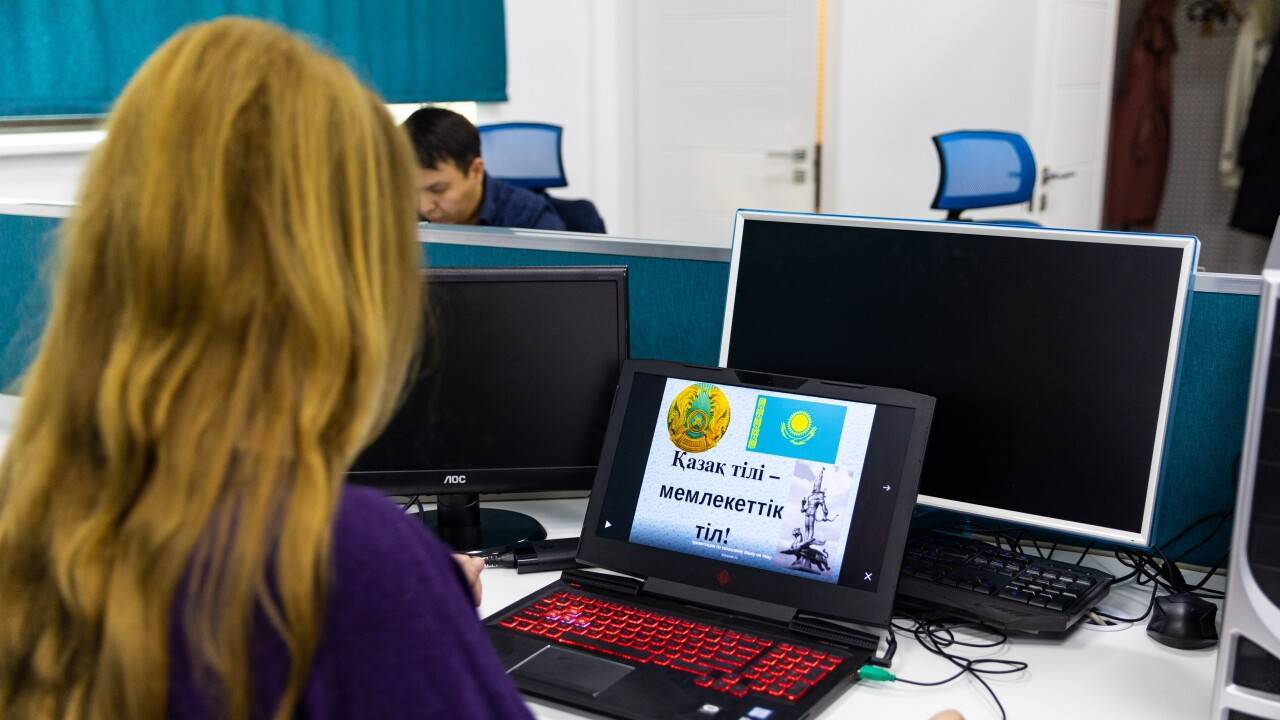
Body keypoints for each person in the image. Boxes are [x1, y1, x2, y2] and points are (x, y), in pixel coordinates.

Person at [0, 18, 530, 720]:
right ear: (339, 273)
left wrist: (416, 598)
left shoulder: (34, 504)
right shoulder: (339, 560)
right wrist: (410, 599)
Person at [402, 107, 568, 230]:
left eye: (438, 189)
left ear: (475, 171)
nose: (424, 207)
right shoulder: (399, 215)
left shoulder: (530, 221)